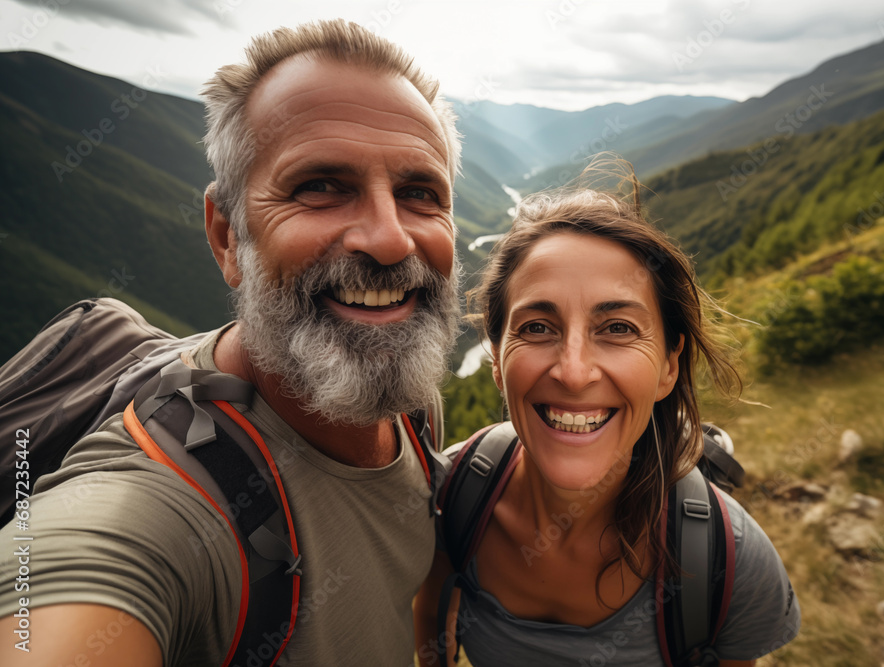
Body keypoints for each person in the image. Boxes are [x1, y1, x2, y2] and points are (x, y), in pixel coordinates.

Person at [0, 19, 462, 667]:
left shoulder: (408, 406)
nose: (390, 239)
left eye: (420, 193)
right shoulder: (156, 511)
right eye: (320, 186)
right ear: (226, 237)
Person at [415, 162, 800, 666]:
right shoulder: (452, 494)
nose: (574, 373)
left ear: (668, 366)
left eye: (618, 328)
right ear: (496, 358)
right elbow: (431, 621)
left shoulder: (730, 564)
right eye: (536, 328)